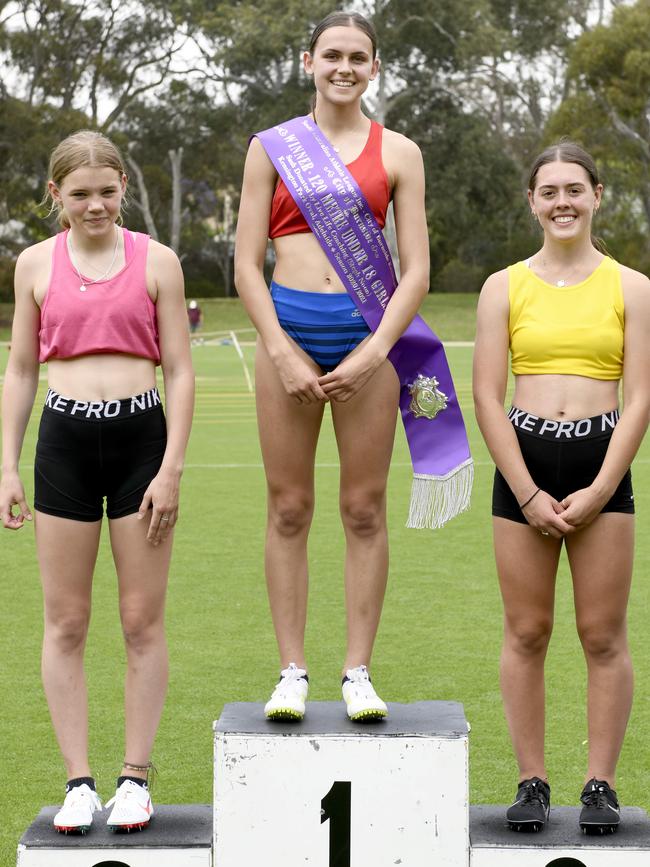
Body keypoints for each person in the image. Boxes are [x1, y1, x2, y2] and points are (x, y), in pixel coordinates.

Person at [234, 11, 435, 722]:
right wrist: (281, 350)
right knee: (288, 508)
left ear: (374, 67)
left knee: (363, 508)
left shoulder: (401, 153)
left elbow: (416, 269)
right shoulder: (272, 147)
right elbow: (245, 264)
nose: (344, 67)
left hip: (367, 342)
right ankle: (292, 669)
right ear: (308, 61)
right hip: (287, 338)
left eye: (358, 57)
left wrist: (376, 350)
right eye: (332, 55)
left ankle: (357, 671)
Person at [0, 131, 194, 834]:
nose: (95, 206)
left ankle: (133, 778)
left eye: (107, 192)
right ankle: (79, 780)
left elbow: (180, 369)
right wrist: (6, 465)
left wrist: (171, 467)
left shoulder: (158, 261)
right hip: (64, 446)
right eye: (79, 194)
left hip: (143, 444)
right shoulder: (33, 264)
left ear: (123, 188)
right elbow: (21, 369)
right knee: (67, 620)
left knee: (141, 619)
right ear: (56, 195)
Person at [473, 141, 649, 835]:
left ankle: (599, 784)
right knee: (527, 629)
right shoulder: (502, 286)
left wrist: (605, 485)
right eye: (549, 191)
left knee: (602, 634)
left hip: (602, 467)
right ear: (533, 201)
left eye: (575, 188)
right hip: (525, 468)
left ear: (597, 195)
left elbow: (639, 397)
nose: (563, 201)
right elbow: (487, 396)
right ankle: (532, 780)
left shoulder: (632, 287)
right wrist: (525, 492)